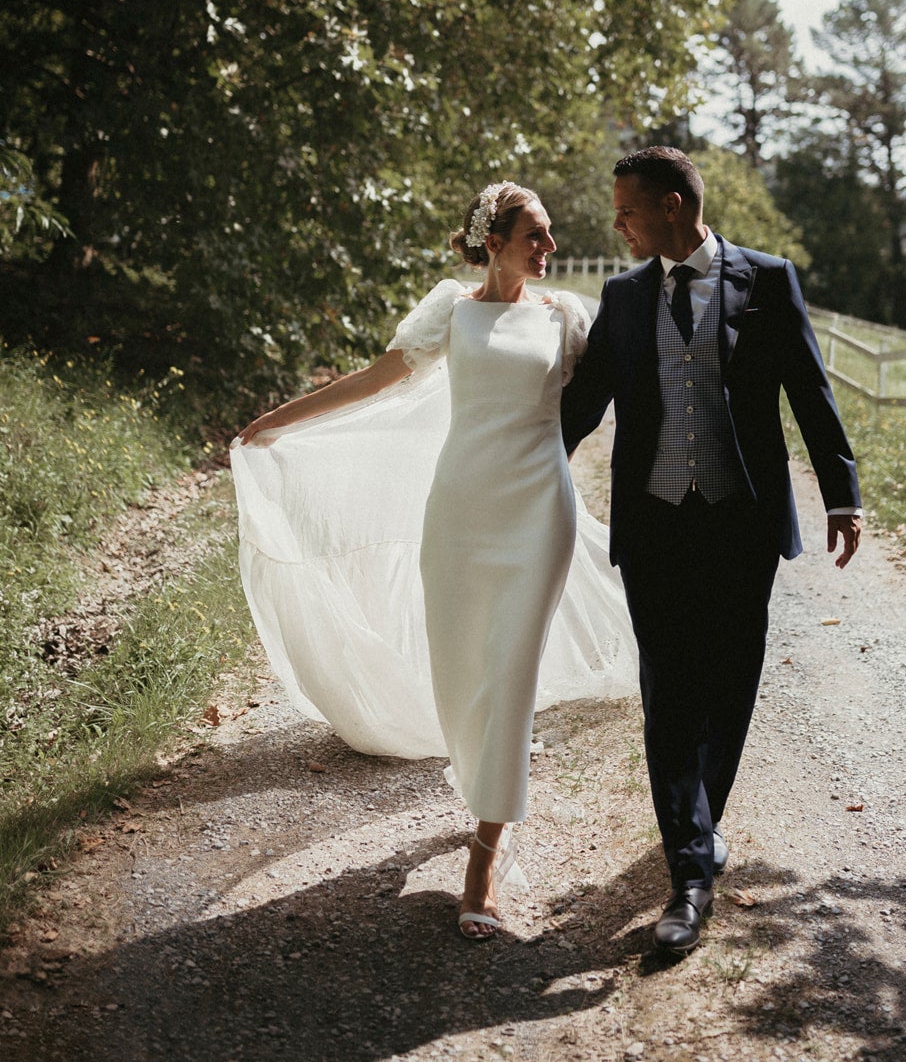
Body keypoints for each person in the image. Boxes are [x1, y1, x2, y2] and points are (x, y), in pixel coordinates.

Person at [233, 182, 636, 940]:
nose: (548, 250)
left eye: (549, 236)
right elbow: (376, 380)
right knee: (460, 675)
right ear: (493, 240)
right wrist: (278, 421)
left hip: (537, 511)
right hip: (458, 510)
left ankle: (486, 852)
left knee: (512, 669)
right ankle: (480, 782)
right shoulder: (451, 306)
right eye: (535, 236)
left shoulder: (568, 318)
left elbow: (621, 393)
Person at [561, 146, 862, 955]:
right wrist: (512, 468)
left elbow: (809, 388)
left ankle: (699, 821)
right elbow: (583, 406)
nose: (617, 223)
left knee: (730, 681)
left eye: (626, 209)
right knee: (668, 693)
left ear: (670, 205)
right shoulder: (622, 296)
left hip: (741, 521)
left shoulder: (766, 279)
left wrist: (842, 493)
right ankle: (690, 876)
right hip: (656, 520)